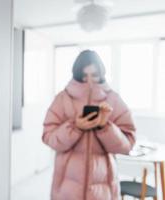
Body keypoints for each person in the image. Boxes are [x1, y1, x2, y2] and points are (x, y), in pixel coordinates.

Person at [42, 50, 136, 200]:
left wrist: (105, 127)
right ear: (76, 75)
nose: (89, 81)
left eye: (94, 75)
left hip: (103, 190)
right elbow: (49, 138)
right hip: (67, 189)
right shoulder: (62, 99)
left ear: (102, 74)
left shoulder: (114, 100)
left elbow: (127, 145)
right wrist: (75, 127)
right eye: (84, 76)